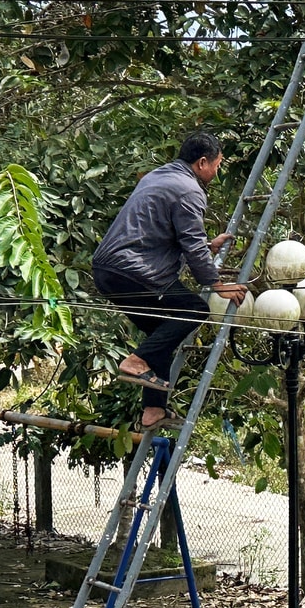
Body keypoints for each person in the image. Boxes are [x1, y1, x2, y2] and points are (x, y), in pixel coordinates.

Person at [92, 131, 248, 428]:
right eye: (217, 164)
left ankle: (153, 410)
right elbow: (189, 244)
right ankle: (135, 361)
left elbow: (160, 231)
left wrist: (206, 245)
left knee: (161, 334)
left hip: (108, 270)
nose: (217, 170)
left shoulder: (158, 176)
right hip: (134, 272)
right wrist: (218, 285)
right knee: (195, 309)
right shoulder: (189, 190)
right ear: (203, 162)